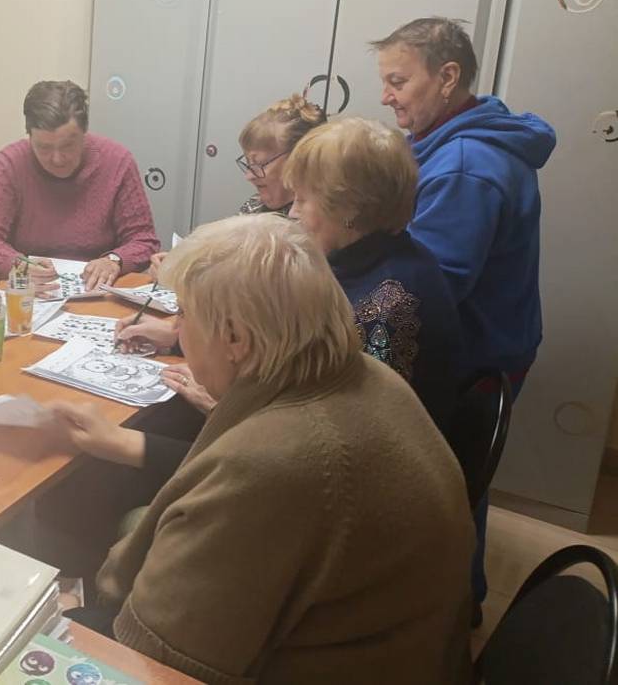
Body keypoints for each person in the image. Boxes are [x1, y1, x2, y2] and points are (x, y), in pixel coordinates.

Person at [53, 215, 474, 684]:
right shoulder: (365, 375)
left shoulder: (271, 465)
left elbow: (157, 661)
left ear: (235, 339)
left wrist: (58, 617)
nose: (178, 329)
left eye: (184, 314)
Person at [374, 17, 556, 614]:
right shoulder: (464, 135)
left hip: (474, 352)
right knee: (460, 477)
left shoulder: (464, 166)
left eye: (398, 81)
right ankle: (460, 595)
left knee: (446, 483)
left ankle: (451, 607)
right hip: (493, 340)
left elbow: (432, 287)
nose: (386, 96)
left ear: (448, 77)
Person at [284, 116, 464, 434]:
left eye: (302, 200)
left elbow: (357, 429)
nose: (292, 213)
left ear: (349, 208)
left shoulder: (389, 302)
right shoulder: (372, 256)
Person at [0, 80, 159, 292]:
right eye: (44, 148)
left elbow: (144, 240)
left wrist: (114, 260)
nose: (57, 159)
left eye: (68, 146)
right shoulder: (11, 164)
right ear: (29, 136)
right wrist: (19, 265)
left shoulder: (117, 162)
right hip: (27, 293)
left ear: (84, 133)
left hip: (98, 292)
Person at [146, 93, 326, 277]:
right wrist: (177, 265)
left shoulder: (311, 227)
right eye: (248, 164)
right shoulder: (253, 206)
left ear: (298, 160)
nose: (249, 175)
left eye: (259, 164)